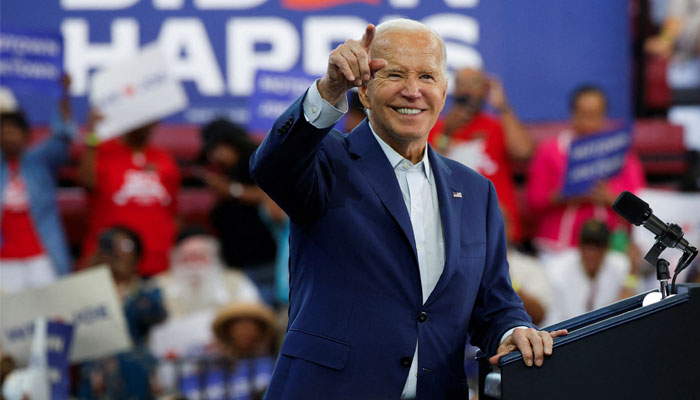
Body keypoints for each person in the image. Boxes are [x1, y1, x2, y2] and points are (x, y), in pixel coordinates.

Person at [250, 19, 566, 399]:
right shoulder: (326, 159)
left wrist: (513, 330)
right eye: (394, 74)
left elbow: (495, 303)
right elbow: (271, 167)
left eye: (428, 77)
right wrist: (329, 88)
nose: (413, 91)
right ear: (363, 90)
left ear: (444, 91)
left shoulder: (476, 190)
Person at [526, 85, 646, 255]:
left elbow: (640, 201)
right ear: (572, 113)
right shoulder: (550, 151)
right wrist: (565, 193)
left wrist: (610, 197)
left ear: (604, 115)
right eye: (584, 114)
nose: (589, 121)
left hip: (610, 247)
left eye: (595, 114)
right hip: (559, 246)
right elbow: (534, 201)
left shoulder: (623, 154)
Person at [429, 67, 533, 243]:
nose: (468, 89)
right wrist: (447, 133)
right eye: (462, 84)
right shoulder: (439, 127)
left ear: (485, 90)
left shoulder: (498, 125)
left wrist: (502, 107)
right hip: (453, 226)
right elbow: (427, 168)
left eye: (474, 83)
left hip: (497, 224)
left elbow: (523, 151)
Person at [0, 77, 76, 292]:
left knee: (50, 318)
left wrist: (64, 95)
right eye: (3, 132)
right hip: (4, 260)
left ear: (26, 135)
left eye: (14, 131)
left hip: (42, 256)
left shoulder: (40, 161)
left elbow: (62, 137)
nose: (8, 137)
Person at [79, 117, 181, 277]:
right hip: (112, 259)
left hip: (158, 259)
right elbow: (85, 182)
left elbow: (173, 211)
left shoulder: (164, 158)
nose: (145, 122)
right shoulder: (102, 151)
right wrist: (93, 136)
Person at [78, 226, 167, 399]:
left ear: (137, 255)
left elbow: (157, 314)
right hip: (96, 376)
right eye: (110, 247)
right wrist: (93, 279)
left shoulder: (147, 289)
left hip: (135, 373)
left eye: (125, 246)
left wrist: (127, 284)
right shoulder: (85, 291)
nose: (116, 253)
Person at [541, 220, 631, 327]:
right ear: (580, 246)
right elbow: (553, 318)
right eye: (587, 247)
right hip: (568, 334)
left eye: (598, 247)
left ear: (606, 248)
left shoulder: (621, 265)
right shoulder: (558, 269)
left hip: (607, 331)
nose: (592, 253)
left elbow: (629, 307)